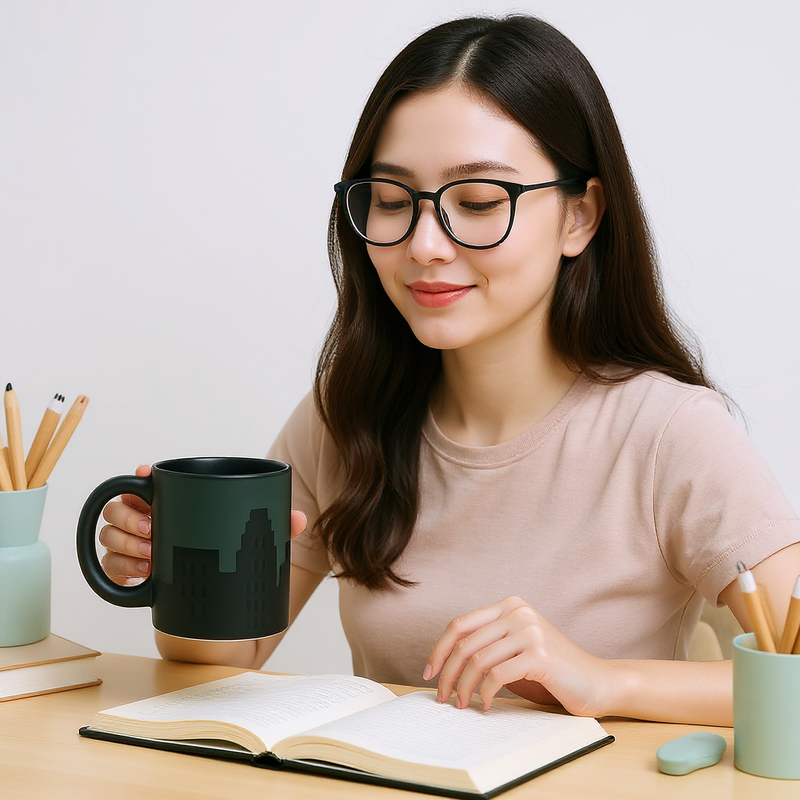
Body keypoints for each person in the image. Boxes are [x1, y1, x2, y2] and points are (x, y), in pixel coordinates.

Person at [99, 15, 800, 726]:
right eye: (394, 201)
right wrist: (175, 575)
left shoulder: (669, 433)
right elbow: (228, 662)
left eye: (478, 203)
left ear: (579, 217)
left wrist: (602, 682)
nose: (426, 244)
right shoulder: (346, 414)